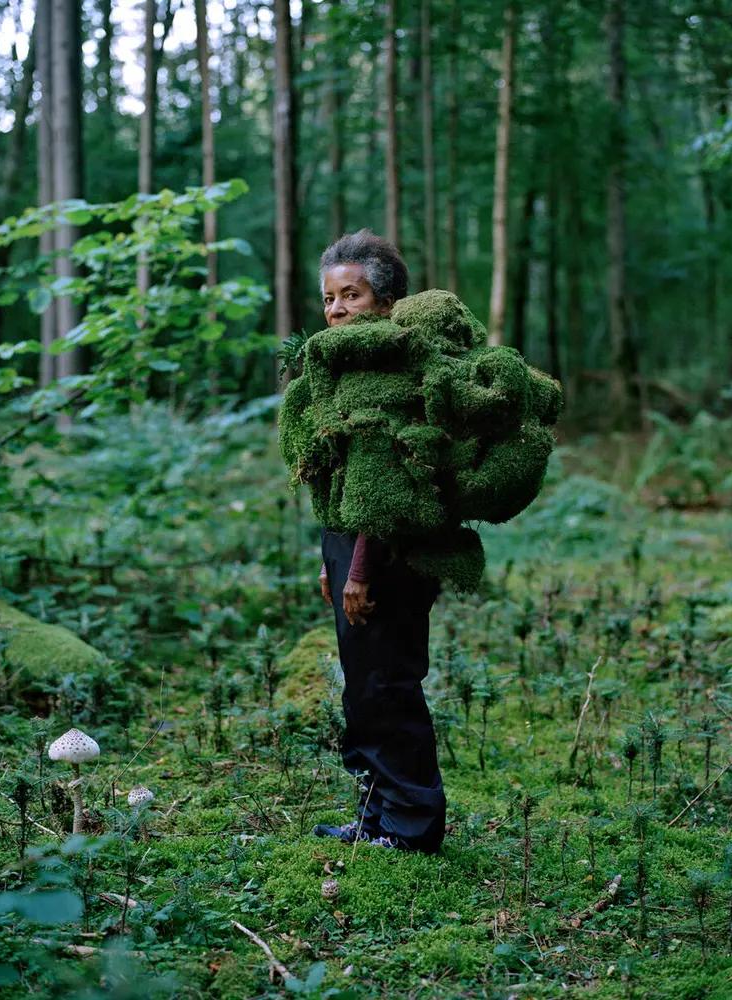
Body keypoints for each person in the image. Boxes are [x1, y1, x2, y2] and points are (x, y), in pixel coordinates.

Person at [310, 229, 447, 853]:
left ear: (386, 303)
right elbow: (341, 484)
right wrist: (332, 565)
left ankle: (412, 828)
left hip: (388, 555)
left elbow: (380, 489)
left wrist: (359, 571)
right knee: (362, 688)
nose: (337, 310)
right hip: (352, 552)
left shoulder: (394, 374)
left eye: (352, 296)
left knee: (388, 688)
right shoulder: (347, 370)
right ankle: (376, 818)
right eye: (330, 298)